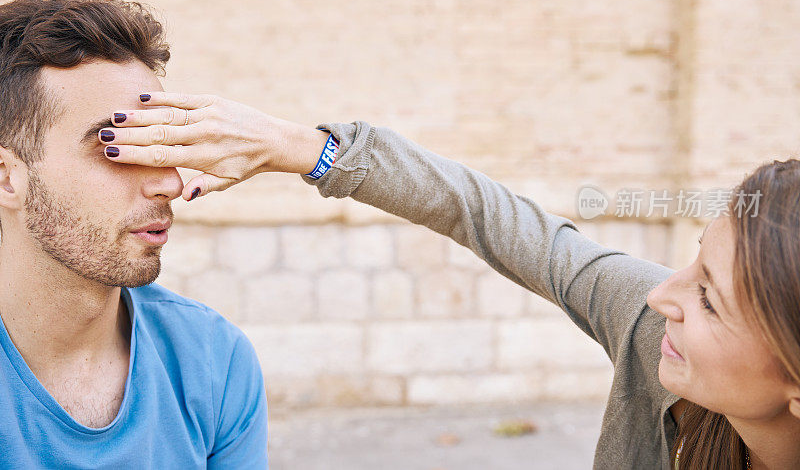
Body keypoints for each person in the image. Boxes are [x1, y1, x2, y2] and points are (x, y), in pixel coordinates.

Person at [99, 91, 800, 469]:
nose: (660, 296)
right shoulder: (655, 336)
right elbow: (493, 217)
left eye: (708, 298)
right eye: (692, 261)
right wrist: (302, 149)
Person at [0, 0, 267, 468]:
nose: (169, 180)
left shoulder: (211, 360)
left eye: (162, 141)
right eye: (113, 145)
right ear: (7, 177)